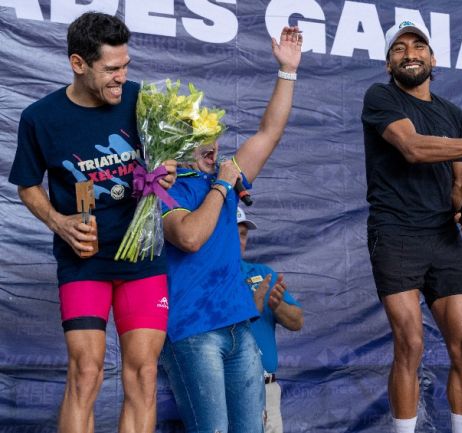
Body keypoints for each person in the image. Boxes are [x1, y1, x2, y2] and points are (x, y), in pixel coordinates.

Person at [8, 12, 176, 433]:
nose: (122, 77)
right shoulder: (40, 118)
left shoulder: (144, 103)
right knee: (86, 372)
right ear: (78, 64)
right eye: (111, 69)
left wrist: (166, 168)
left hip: (142, 258)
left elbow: (168, 159)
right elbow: (28, 186)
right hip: (84, 261)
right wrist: (58, 222)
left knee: (145, 374)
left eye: (126, 66)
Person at [360, 20, 462, 433]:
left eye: (418, 46)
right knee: (410, 342)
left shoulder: (453, 114)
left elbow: (458, 183)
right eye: (399, 48)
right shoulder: (380, 97)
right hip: (394, 233)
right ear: (387, 63)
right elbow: (412, 147)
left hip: (442, 238)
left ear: (433, 59)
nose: (410, 53)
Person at [159, 26, 302, 432]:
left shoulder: (225, 179)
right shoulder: (163, 189)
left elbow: (268, 133)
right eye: (201, 137)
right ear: (175, 141)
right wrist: (223, 185)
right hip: (192, 332)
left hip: (241, 328)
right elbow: (189, 236)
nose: (215, 144)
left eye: (215, 135)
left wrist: (287, 71)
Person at [237, 207, 304, 433]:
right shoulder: (207, 278)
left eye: (243, 235)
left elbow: (297, 321)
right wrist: (250, 309)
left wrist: (278, 305)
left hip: (267, 388)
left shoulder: (262, 273)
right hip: (230, 387)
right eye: (233, 233)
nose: (239, 241)